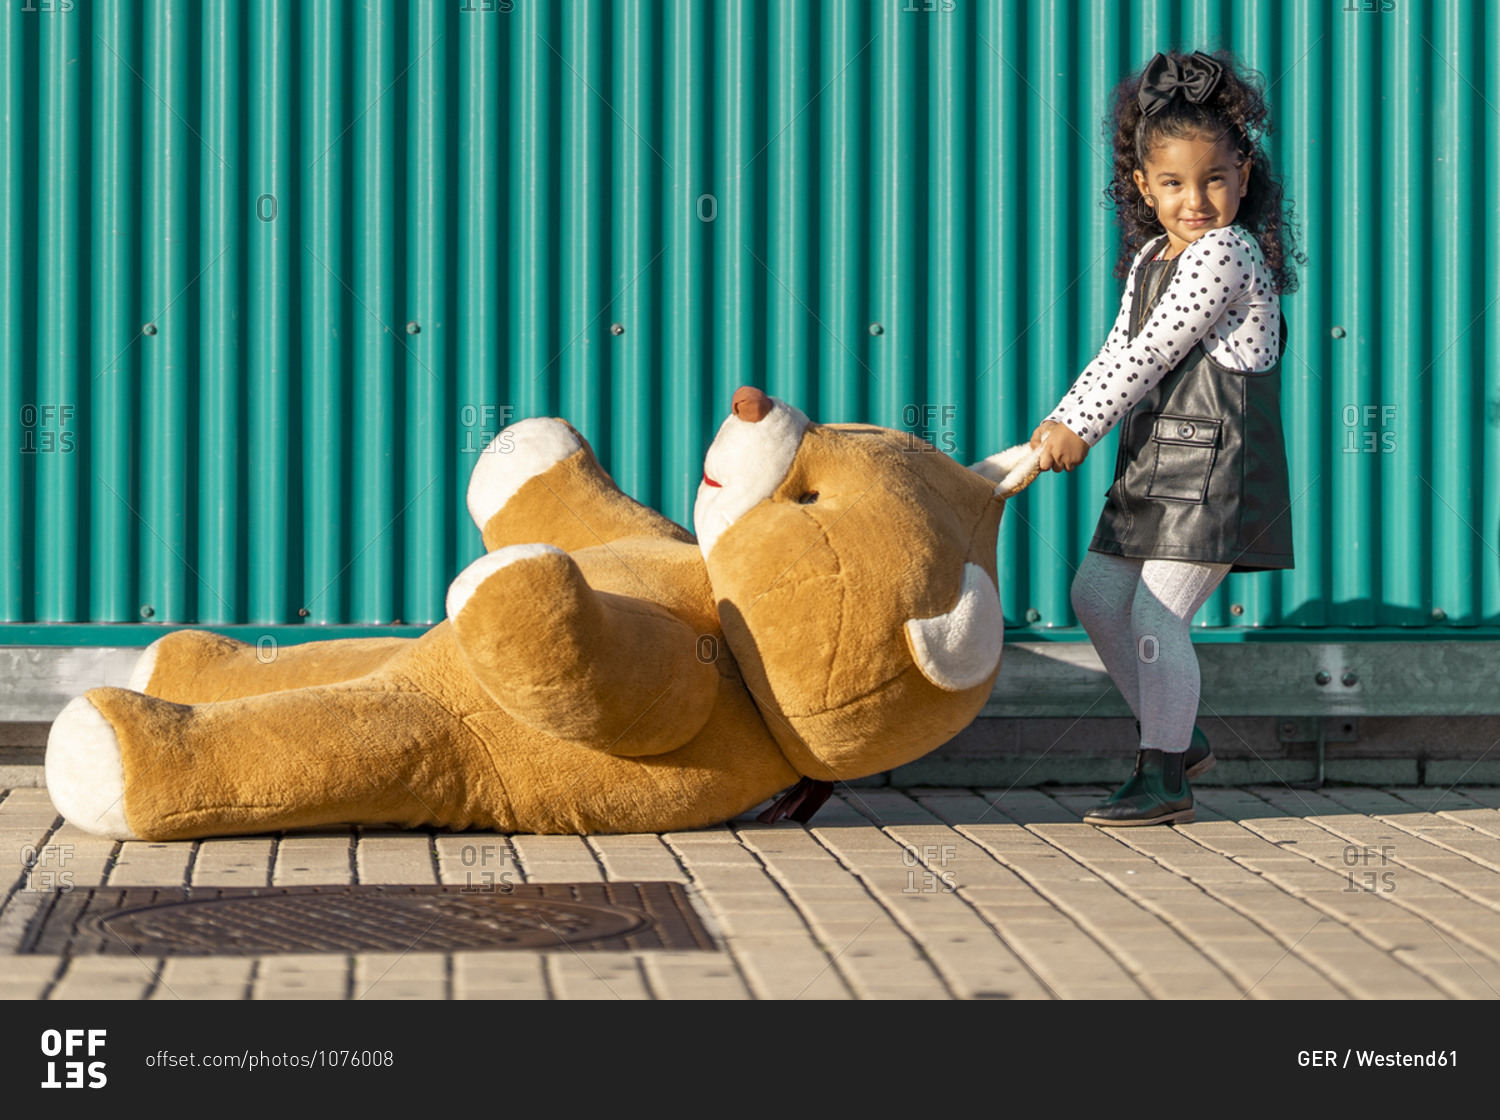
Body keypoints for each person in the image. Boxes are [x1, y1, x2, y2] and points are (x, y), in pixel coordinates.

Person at [1030, 49, 1304, 826]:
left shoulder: (1228, 251)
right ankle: (1175, 738)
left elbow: (1153, 354)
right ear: (1144, 188)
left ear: (1243, 176)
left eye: (1215, 179)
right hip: (1157, 461)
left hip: (1217, 469)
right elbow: (1119, 350)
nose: (1197, 200)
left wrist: (1079, 427)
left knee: (1156, 618)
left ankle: (1163, 775)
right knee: (1096, 596)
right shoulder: (1154, 255)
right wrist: (1055, 423)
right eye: (1175, 184)